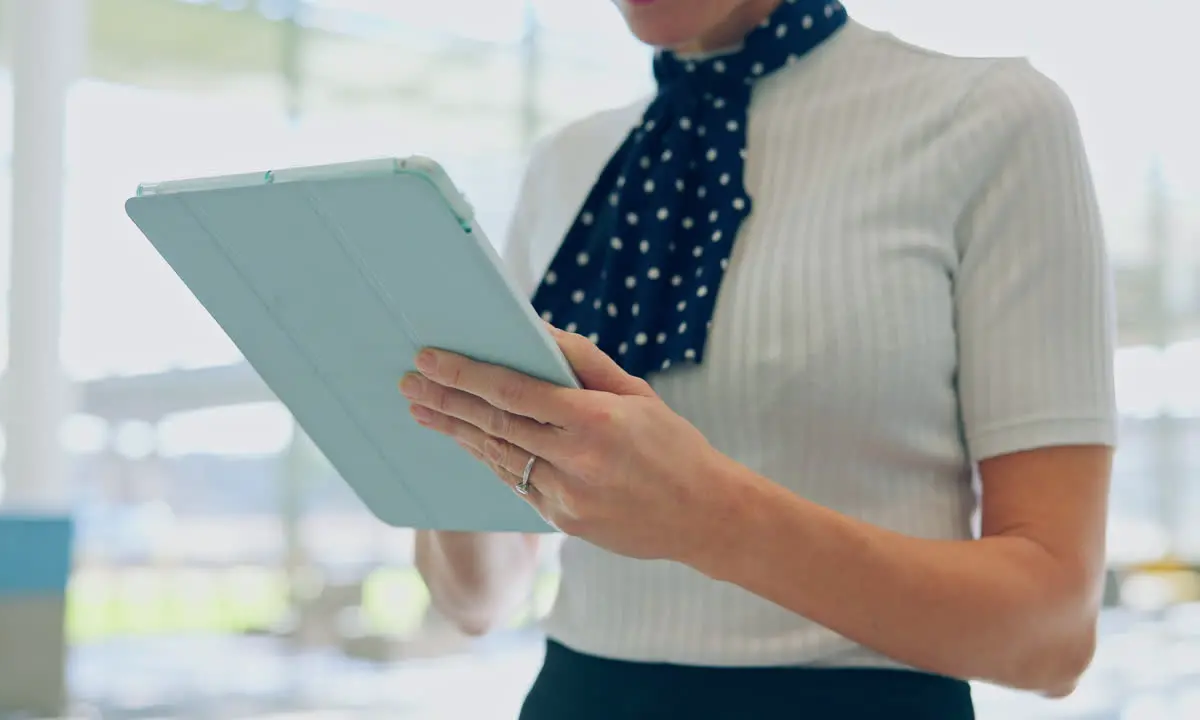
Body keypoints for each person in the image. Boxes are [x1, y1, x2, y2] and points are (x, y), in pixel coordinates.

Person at [400, 0, 1117, 717]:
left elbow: (1052, 636)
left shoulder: (990, 119)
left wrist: (711, 519)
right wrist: (441, 413)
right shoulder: (565, 164)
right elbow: (479, 599)